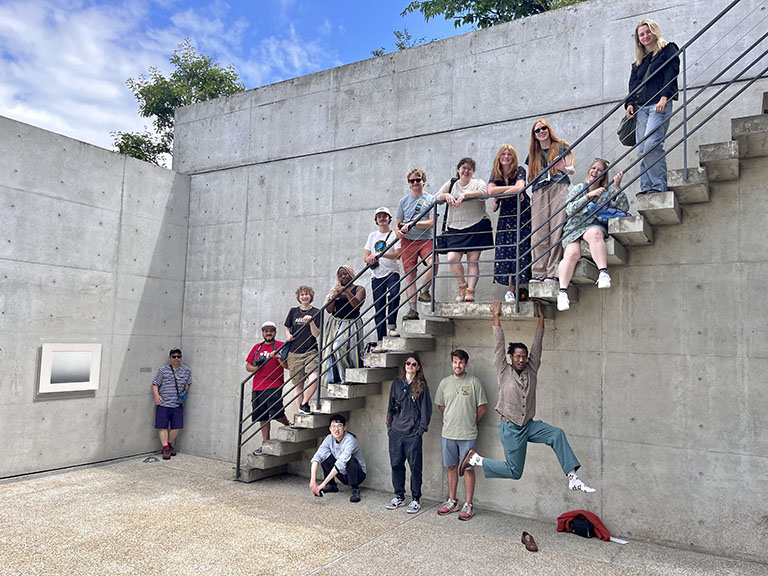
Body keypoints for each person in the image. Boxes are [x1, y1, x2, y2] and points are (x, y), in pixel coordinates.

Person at [459, 301, 596, 495]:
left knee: (556, 434)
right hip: (511, 428)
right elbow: (498, 344)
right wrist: (495, 316)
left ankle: (572, 477)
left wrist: (541, 319)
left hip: (529, 425)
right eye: (517, 356)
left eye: (524, 356)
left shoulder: (531, 370)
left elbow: (537, 346)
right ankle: (475, 460)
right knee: (515, 472)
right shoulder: (503, 370)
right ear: (511, 357)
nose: (522, 359)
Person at [557, 159, 629, 311]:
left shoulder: (607, 191)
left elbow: (623, 209)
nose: (595, 172)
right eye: (593, 168)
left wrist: (617, 187)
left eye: (599, 170)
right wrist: (588, 196)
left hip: (592, 225)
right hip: (574, 227)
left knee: (595, 234)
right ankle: (562, 292)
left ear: (603, 176)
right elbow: (569, 210)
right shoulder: (578, 188)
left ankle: (603, 273)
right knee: (572, 254)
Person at [625, 19, 680, 195]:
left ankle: (658, 186)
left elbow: (671, 73)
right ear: (638, 39)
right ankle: (646, 187)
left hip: (659, 104)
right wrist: (629, 104)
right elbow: (633, 85)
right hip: (641, 107)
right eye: (641, 34)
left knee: (651, 144)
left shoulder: (668, 49)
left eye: (648, 32)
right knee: (642, 148)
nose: (645, 36)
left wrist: (664, 97)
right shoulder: (638, 62)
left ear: (655, 31)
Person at [434, 349, 487, 521]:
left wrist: (470, 421)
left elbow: (482, 408)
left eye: (461, 362)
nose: (458, 365)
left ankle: (469, 504)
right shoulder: (444, 383)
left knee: (469, 469)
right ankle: (452, 501)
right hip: (448, 433)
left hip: (468, 434)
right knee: (451, 467)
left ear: (466, 364)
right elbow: (442, 406)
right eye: (455, 362)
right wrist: (452, 419)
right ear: (452, 363)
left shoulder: (474, 382)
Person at [437, 157, 493, 303]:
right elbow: (436, 197)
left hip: (476, 224)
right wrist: (446, 195)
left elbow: (484, 192)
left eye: (469, 168)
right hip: (455, 227)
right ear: (458, 169)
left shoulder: (477, 183)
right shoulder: (451, 184)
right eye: (463, 168)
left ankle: (470, 292)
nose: (466, 171)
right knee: (452, 258)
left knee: (472, 261)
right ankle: (462, 285)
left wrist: (465, 195)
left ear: (473, 171)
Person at [526, 119, 575, 282]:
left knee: (556, 228)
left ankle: (552, 272)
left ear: (549, 129)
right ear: (534, 135)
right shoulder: (533, 154)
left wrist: (563, 168)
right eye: (537, 130)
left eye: (544, 128)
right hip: (539, 190)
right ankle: (538, 272)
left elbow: (571, 168)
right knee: (539, 232)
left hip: (558, 186)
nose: (541, 132)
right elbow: (531, 177)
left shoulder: (561, 146)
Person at [386, 353, 432, 514]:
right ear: (404, 366)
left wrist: (420, 431)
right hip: (396, 432)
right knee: (396, 464)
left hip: (413, 435)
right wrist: (390, 428)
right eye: (408, 364)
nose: (410, 367)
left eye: (414, 364)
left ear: (418, 367)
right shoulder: (396, 384)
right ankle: (399, 496)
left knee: (415, 467)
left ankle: (415, 499)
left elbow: (427, 411)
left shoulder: (422, 387)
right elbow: (390, 407)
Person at [488, 145, 531, 303]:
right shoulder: (496, 174)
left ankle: (518, 288)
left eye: (510, 154)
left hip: (522, 213)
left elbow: (520, 187)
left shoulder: (520, 170)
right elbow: (490, 191)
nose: (506, 156)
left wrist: (499, 195)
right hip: (506, 215)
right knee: (506, 250)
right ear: (499, 157)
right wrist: (509, 191)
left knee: (521, 248)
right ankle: (511, 290)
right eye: (503, 154)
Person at [395, 168, 438, 321]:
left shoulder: (431, 199)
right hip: (407, 241)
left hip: (425, 238)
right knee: (409, 276)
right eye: (412, 181)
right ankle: (413, 310)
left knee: (434, 262)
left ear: (423, 181)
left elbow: (432, 222)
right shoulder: (403, 201)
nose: (415, 183)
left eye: (418, 180)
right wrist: (398, 232)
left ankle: (424, 291)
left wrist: (414, 223)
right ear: (409, 184)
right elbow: (397, 223)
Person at [245, 321, 290, 454]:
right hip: (258, 386)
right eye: (266, 331)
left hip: (274, 383)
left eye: (271, 330)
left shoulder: (281, 346)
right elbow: (248, 367)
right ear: (262, 333)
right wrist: (257, 366)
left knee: (276, 412)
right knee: (262, 416)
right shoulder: (257, 347)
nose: (268, 333)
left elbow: (287, 366)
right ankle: (265, 444)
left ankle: (288, 424)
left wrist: (278, 357)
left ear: (275, 332)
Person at [321, 266, 366, 386]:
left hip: (351, 323)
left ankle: (347, 377)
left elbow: (356, 305)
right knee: (330, 350)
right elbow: (329, 310)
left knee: (339, 347)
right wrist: (334, 297)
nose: (343, 277)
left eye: (345, 274)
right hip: (335, 322)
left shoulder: (359, 289)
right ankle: (334, 378)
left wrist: (346, 291)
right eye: (340, 275)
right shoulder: (334, 290)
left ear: (351, 274)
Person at [364, 206, 402, 340]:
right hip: (377, 275)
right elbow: (366, 256)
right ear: (376, 220)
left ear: (389, 219)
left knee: (394, 295)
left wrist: (382, 254)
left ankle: (392, 326)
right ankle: (381, 338)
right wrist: (370, 258)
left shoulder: (394, 235)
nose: (382, 219)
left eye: (385, 216)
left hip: (392, 272)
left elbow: (398, 255)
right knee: (379, 307)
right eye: (379, 217)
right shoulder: (372, 236)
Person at [309, 414, 366, 503]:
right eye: (333, 426)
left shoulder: (350, 440)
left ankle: (355, 489)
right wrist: (312, 481)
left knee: (350, 460)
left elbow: (341, 463)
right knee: (325, 457)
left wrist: (322, 485)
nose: (336, 429)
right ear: (330, 428)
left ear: (344, 428)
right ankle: (332, 485)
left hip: (358, 475)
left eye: (339, 426)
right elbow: (317, 457)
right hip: (342, 473)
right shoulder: (329, 438)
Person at [284, 286, 321, 415]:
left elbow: (316, 334)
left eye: (307, 294)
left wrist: (311, 322)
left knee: (314, 377)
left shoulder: (317, 312)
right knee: (298, 384)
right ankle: (300, 410)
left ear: (311, 296)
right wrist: (288, 335)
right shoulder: (293, 311)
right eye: (302, 295)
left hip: (310, 351)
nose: (304, 296)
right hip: (294, 352)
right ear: (298, 297)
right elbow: (287, 327)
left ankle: (305, 403)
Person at [152, 348, 191, 460]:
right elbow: (155, 384)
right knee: (162, 426)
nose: (176, 359)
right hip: (163, 403)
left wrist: (184, 397)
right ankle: (165, 448)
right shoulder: (163, 370)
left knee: (177, 427)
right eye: (174, 357)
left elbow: (187, 384)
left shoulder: (186, 370)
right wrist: (157, 396)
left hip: (177, 404)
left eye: (178, 356)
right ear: (170, 358)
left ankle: (169, 445)